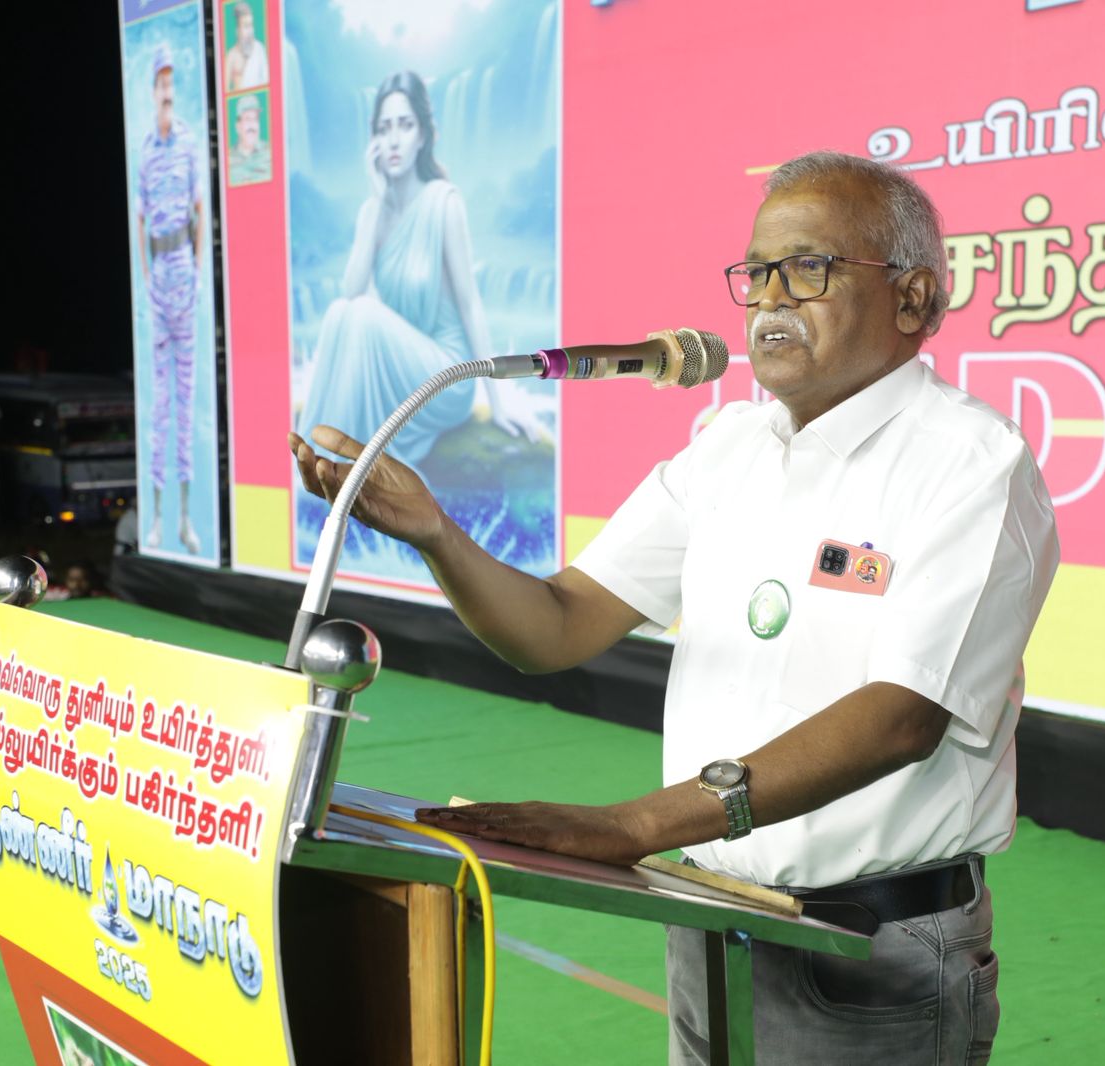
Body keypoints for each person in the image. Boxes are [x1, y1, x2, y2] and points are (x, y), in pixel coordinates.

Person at [291, 151, 1058, 1064]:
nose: (771, 299)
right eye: (756, 273)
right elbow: (558, 623)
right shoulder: (729, 447)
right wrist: (436, 533)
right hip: (708, 915)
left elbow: (902, 716)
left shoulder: (972, 463)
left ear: (913, 298)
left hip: (869, 950)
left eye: (808, 268)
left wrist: (635, 827)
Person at [294, 71, 540, 472]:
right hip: (401, 370)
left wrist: (499, 400)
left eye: (405, 125)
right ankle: (319, 462)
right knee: (341, 311)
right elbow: (350, 292)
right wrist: (376, 203)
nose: (393, 140)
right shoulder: (373, 211)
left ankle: (334, 464)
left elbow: (470, 304)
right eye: (384, 128)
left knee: (362, 313)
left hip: (445, 374)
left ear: (423, 135)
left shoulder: (443, 203)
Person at [137, 43, 204, 556]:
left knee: (186, 401)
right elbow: (140, 220)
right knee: (160, 406)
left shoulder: (188, 143)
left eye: (171, 82)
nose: (166, 91)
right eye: (160, 83)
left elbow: (199, 210)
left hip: (184, 276)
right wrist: (145, 278)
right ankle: (158, 519)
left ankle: (184, 518)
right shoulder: (145, 150)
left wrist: (198, 271)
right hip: (158, 282)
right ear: (152, 89)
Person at [224, 1, 269, 91]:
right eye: (245, 26)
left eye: (251, 25)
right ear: (237, 30)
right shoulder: (231, 56)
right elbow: (225, 88)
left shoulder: (259, 49)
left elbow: (266, 80)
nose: (250, 31)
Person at [227, 94, 270, 186]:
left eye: (255, 119)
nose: (252, 125)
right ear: (238, 126)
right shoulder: (227, 159)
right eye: (247, 119)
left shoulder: (270, 153)